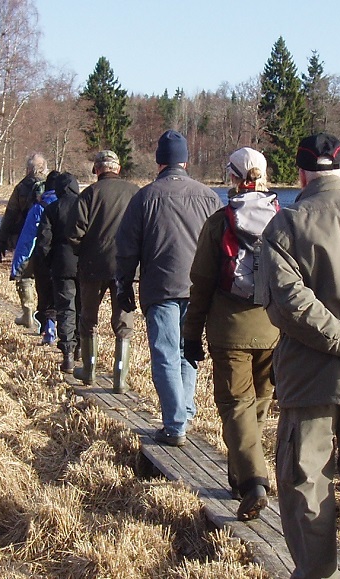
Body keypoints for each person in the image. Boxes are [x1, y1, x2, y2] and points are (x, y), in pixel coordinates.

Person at [260, 132, 340, 578]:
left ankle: (316, 573)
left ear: (302, 173)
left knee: (308, 486)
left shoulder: (284, 226)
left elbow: (289, 304)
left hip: (310, 382)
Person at [181, 147, 279, 521]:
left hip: (228, 329)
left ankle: (253, 480)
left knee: (235, 405)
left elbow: (202, 283)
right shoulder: (283, 219)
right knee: (258, 402)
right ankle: (240, 475)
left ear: (234, 178)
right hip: (272, 328)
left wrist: (191, 333)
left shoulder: (221, 222)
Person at [115, 130, 221, 447]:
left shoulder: (145, 197)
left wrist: (124, 287)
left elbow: (125, 249)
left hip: (160, 287)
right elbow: (222, 244)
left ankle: (175, 425)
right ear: (185, 160)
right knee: (187, 353)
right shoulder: (209, 197)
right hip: (200, 289)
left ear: (160, 162)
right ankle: (184, 415)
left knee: (165, 356)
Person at [68, 150, 141, 392]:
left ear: (97, 170)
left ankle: (89, 371)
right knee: (123, 321)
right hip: (126, 267)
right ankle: (120, 379)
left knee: (88, 319)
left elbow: (74, 233)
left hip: (92, 266)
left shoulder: (89, 194)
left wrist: (83, 252)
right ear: (118, 169)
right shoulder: (135, 193)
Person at [12, 172, 81, 371]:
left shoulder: (46, 208)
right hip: (81, 264)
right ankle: (79, 348)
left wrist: (43, 262)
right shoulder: (84, 206)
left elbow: (37, 240)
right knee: (80, 306)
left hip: (56, 264)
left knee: (59, 304)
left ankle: (62, 346)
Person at [0, 152, 48, 331]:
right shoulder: (53, 186)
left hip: (22, 238)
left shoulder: (21, 187)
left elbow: (10, 214)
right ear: (44, 168)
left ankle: (28, 313)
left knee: (24, 276)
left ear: (29, 169)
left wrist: (1, 241)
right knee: (46, 278)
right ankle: (47, 320)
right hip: (48, 239)